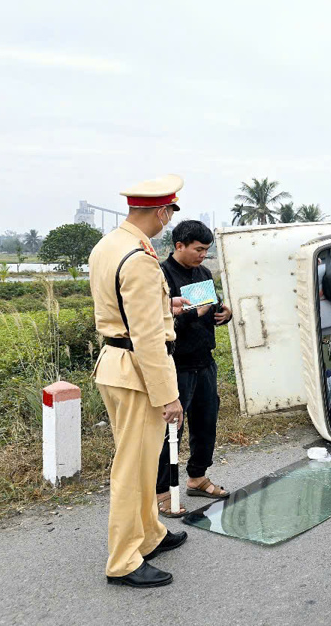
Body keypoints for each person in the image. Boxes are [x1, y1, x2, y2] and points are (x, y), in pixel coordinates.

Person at [89, 174, 189, 588]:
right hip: (138, 372)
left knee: (145, 462)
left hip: (117, 363)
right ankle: (124, 560)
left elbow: (126, 306)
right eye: (170, 212)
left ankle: (149, 533)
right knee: (133, 468)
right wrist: (169, 396)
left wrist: (167, 303)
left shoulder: (110, 245)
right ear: (163, 212)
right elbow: (148, 338)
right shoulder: (142, 260)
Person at [155, 220, 233, 517]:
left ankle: (197, 476)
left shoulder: (202, 273)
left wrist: (222, 311)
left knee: (206, 422)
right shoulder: (161, 276)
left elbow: (209, 306)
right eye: (198, 250)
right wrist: (191, 314)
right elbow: (160, 325)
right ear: (179, 246)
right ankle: (162, 491)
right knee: (171, 430)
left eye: (206, 250)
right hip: (177, 365)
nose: (203, 255)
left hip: (205, 361)